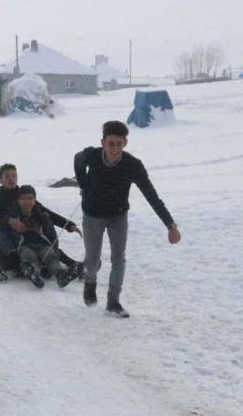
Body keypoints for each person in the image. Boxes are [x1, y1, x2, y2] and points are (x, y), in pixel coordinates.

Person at [74, 120, 182, 318]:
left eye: (119, 144)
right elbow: (77, 161)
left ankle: (113, 301)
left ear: (125, 143)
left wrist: (170, 225)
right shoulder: (91, 155)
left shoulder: (133, 165)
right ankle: (90, 281)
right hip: (92, 215)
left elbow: (152, 196)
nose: (115, 148)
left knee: (118, 258)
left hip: (117, 216)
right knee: (93, 258)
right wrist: (84, 185)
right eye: (110, 143)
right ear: (103, 142)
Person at [0, 163, 82, 280]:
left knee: (46, 249)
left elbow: (46, 213)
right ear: (0, 179)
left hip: (30, 238)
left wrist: (69, 225)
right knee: (3, 234)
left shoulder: (24, 194)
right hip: (11, 240)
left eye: (14, 176)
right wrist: (10, 221)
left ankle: (74, 267)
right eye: (7, 176)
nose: (11, 178)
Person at [0, 185, 73, 289]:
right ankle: (34, 274)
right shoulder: (14, 216)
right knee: (29, 255)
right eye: (23, 199)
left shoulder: (42, 215)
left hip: (42, 245)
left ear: (35, 200)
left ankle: (60, 275)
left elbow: (51, 233)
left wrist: (47, 238)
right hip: (24, 245)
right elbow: (6, 231)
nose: (27, 202)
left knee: (51, 256)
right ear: (18, 201)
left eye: (30, 199)